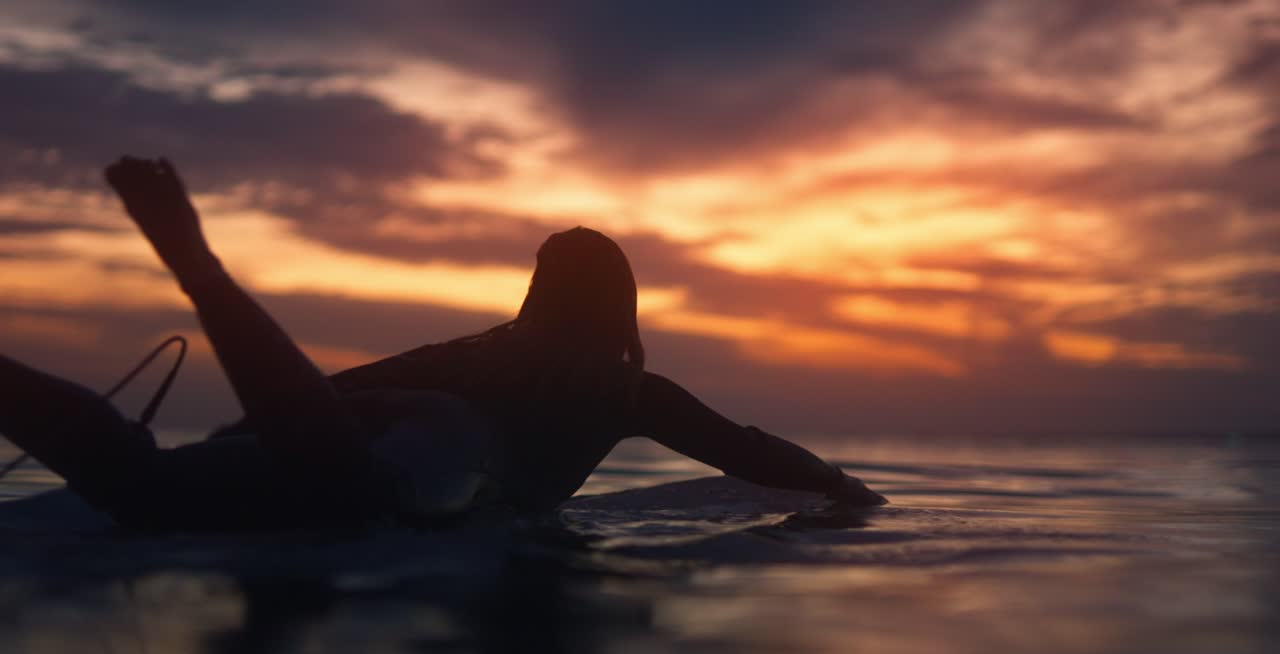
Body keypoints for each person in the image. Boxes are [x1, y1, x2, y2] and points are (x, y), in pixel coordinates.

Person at [0, 156, 885, 532]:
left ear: (536, 292)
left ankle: (204, 281)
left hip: (365, 430)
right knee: (360, 490)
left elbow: (342, 391)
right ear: (623, 308)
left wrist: (237, 436)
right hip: (442, 464)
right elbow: (750, 452)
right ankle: (204, 276)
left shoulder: (480, 353)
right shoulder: (626, 391)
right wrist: (843, 485)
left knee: (139, 483)